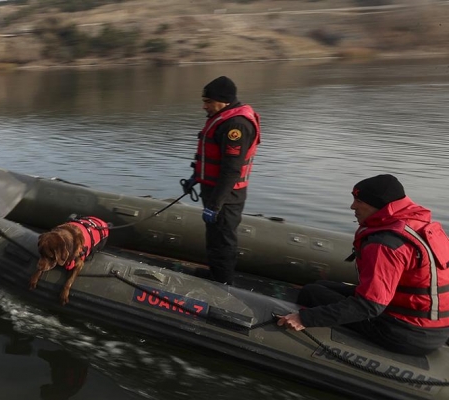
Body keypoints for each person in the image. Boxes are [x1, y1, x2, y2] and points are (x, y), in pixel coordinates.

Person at [277, 174, 449, 355]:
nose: (353, 206)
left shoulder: (386, 244)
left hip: (404, 333)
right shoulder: (418, 226)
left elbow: (369, 306)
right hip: (430, 325)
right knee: (320, 287)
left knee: (312, 293)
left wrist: (304, 318)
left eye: (359, 201)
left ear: (378, 204)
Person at [181, 76, 261, 284]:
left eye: (208, 102)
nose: (204, 106)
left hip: (227, 195)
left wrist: (215, 205)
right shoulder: (224, 117)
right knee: (215, 237)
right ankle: (216, 274)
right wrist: (195, 178)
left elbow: (231, 169)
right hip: (214, 189)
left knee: (224, 239)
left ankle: (223, 283)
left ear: (223, 101)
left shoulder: (236, 126)